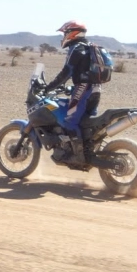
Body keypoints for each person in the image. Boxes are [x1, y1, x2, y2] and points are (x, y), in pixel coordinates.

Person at [44, 20, 101, 164]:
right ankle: (89, 151)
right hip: (95, 89)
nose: (64, 36)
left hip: (83, 88)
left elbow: (66, 72)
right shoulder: (89, 47)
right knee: (85, 123)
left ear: (73, 33)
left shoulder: (76, 48)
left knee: (69, 121)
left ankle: (79, 157)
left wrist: (48, 87)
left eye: (65, 33)